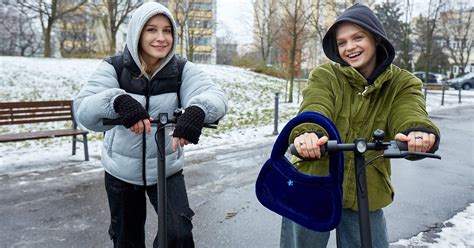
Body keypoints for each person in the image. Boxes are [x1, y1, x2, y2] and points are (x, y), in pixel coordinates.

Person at [280, 4, 440, 248]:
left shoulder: (402, 83)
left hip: (367, 188)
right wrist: (309, 133)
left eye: (358, 37)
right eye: (342, 42)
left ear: (375, 38)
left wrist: (416, 130)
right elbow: (315, 105)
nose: (350, 47)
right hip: (314, 181)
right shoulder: (327, 75)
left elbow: (409, 109)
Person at [74, 2, 227, 247]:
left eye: (167, 31)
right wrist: (117, 101)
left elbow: (214, 96)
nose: (161, 38)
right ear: (137, 33)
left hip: (166, 169)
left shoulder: (182, 69)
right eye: (151, 30)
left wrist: (198, 110)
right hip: (121, 170)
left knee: (178, 234)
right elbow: (83, 108)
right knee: (127, 239)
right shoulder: (114, 67)